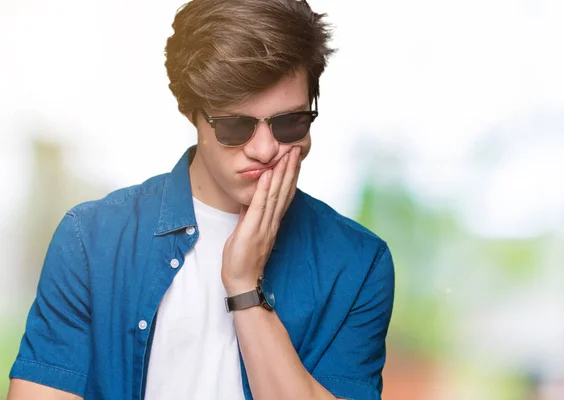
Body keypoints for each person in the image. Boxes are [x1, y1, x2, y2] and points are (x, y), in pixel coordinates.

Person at [7, 0, 395, 399]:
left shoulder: (358, 263)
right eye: (235, 126)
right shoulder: (92, 240)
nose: (264, 149)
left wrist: (245, 287)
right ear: (190, 111)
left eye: (289, 122)